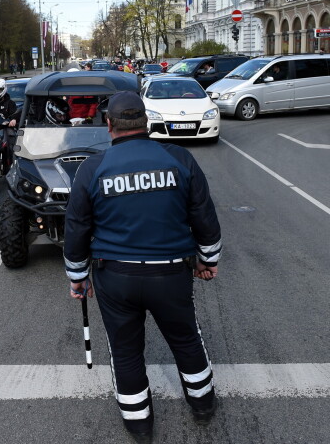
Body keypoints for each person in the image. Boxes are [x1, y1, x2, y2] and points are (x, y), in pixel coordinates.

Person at [64, 91, 222, 440]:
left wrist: (77, 277)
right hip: (170, 273)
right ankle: (203, 404)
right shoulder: (178, 157)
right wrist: (208, 259)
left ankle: (139, 424)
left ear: (109, 125)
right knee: (186, 339)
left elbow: (76, 227)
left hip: (116, 276)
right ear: (146, 122)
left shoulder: (92, 168)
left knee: (125, 349)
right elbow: (203, 215)